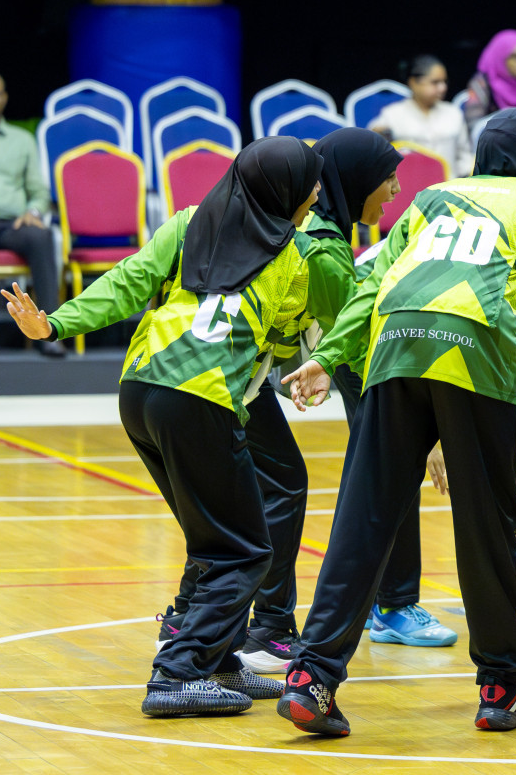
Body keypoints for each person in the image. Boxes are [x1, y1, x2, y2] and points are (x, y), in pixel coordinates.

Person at [276, 109, 516, 737]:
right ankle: (499, 688)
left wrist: (327, 357)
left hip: (395, 346)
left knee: (364, 518)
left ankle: (311, 678)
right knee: (486, 526)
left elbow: (372, 282)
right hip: (474, 352)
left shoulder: (433, 197)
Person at [4, 137, 323, 716]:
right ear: (286, 193)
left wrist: (54, 324)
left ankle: (220, 660)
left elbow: (127, 282)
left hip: (141, 387)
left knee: (214, 539)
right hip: (197, 399)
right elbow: (281, 340)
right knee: (245, 552)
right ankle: (175, 673)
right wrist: (315, 368)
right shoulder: (298, 253)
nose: (318, 192)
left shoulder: (189, 221)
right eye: (311, 184)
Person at [157, 129, 407, 674]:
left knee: (247, 498)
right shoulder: (316, 247)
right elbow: (352, 343)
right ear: (357, 181)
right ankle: (263, 627)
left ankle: (193, 618)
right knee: (271, 492)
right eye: (387, 176)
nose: (394, 189)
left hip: (208, 376)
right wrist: (406, 420)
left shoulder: (303, 232)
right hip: (220, 381)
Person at [0, 71, 62, 357]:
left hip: (11, 226)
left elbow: (39, 192)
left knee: (41, 235)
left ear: (5, 98)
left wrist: (33, 211)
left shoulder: (22, 141)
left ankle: (48, 333)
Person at [370, 55, 472, 179]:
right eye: (435, 82)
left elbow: (465, 157)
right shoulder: (392, 115)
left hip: (448, 189)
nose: (443, 88)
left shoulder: (454, 114)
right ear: (413, 82)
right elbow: (374, 154)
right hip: (408, 189)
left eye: (444, 82)